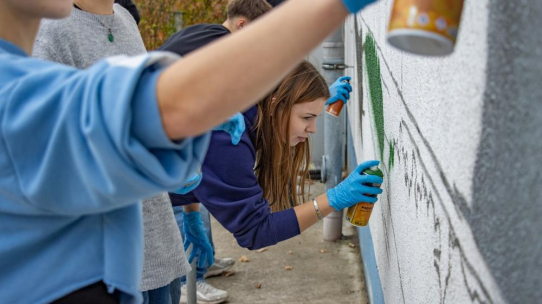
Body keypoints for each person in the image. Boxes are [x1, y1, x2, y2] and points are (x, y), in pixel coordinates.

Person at [0, 0, 379, 302]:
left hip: (143, 263)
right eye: (306, 117)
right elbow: (165, 104)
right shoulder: (15, 91)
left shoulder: (106, 30)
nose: (311, 130)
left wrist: (187, 193)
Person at [171, 60, 382, 259]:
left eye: (315, 117)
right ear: (275, 106)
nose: (313, 129)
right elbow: (255, 231)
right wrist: (333, 198)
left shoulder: (249, 111)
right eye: (307, 117)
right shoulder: (229, 139)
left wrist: (190, 212)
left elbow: (200, 166)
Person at [159, 1, 272, 302]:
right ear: (243, 26)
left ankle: (199, 269)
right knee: (176, 221)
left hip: (172, 147)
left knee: (192, 205)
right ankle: (189, 280)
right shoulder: (225, 49)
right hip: (160, 153)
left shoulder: (201, 34)